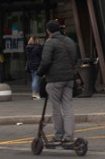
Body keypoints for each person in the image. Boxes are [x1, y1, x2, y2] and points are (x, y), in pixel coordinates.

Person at [36, 19, 80, 148]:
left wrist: (39, 73)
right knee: (68, 108)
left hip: (55, 80)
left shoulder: (50, 43)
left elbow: (45, 61)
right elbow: (75, 58)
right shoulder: (70, 41)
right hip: (69, 79)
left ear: (48, 30)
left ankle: (58, 135)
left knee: (56, 108)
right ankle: (69, 136)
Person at [26, 34, 44, 99]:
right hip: (37, 65)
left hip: (31, 66)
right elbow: (42, 56)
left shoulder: (28, 48)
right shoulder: (38, 47)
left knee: (34, 79)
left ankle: (36, 93)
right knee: (36, 80)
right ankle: (35, 94)